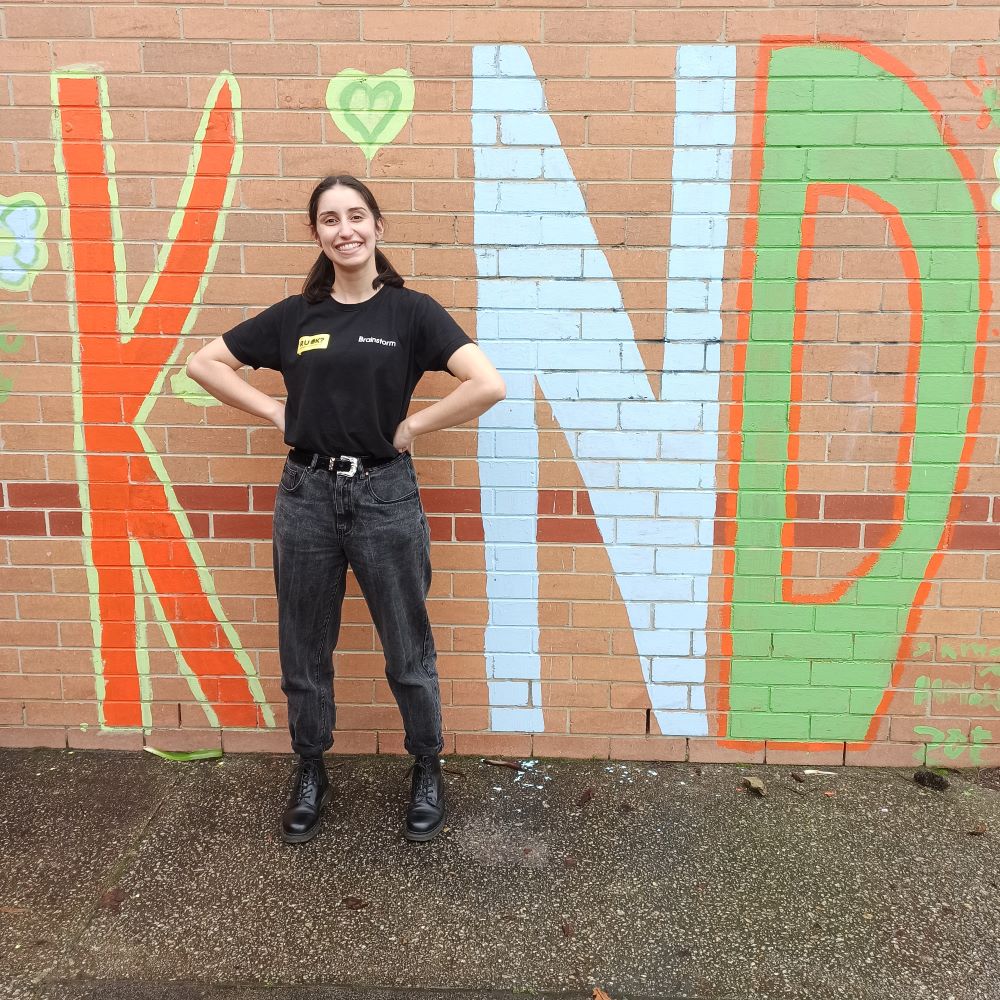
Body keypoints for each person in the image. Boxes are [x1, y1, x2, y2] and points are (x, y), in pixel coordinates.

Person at [187, 174, 506, 844]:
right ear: (317, 234)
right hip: (305, 496)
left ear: (378, 227)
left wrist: (415, 427)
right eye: (330, 219)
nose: (345, 230)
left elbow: (487, 384)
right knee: (304, 648)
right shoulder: (294, 316)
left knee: (406, 647)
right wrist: (275, 409)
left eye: (356, 216)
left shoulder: (411, 314)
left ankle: (426, 765)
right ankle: (310, 768)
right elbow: (204, 363)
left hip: (385, 495)